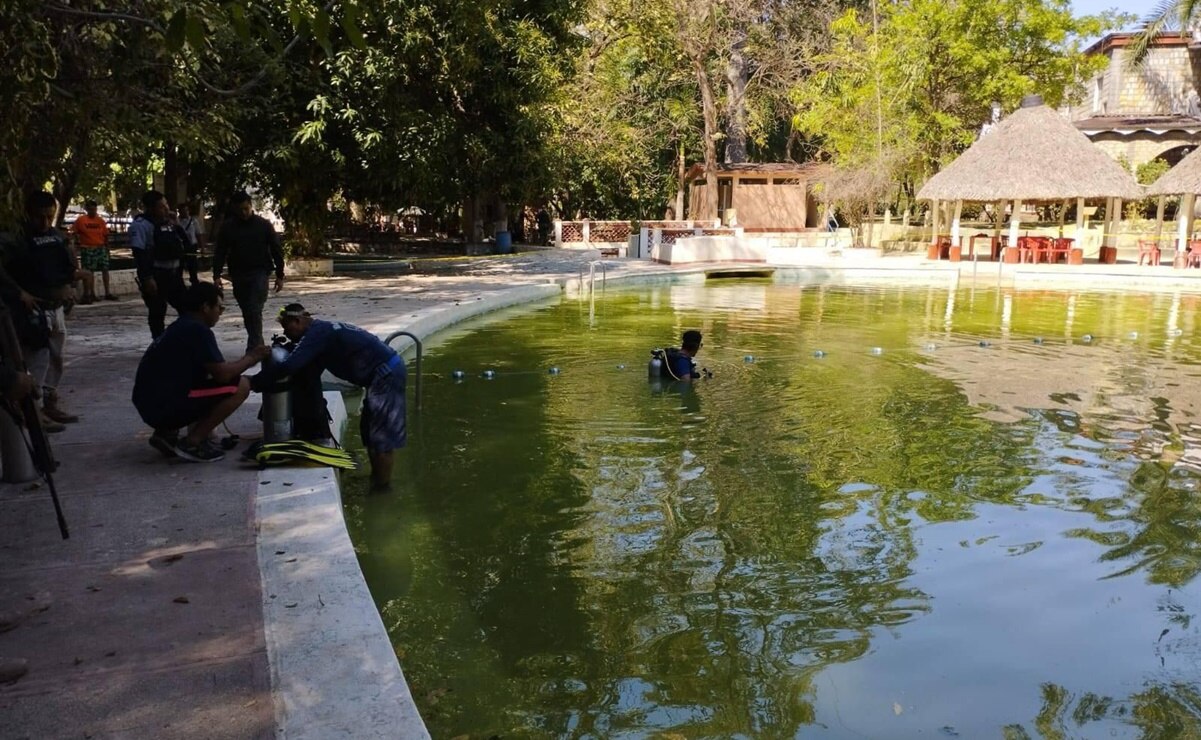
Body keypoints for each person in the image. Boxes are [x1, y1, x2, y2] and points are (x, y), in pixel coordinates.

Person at [251, 304, 405, 491]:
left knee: (381, 438)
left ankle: (382, 489)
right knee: (370, 431)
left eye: (287, 328)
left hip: (385, 376)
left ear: (297, 321)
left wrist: (253, 382)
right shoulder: (321, 330)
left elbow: (290, 367)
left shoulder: (317, 334)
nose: (286, 334)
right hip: (382, 374)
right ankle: (377, 480)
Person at [132, 282, 268, 462]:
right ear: (205, 307)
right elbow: (224, 375)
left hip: (147, 403)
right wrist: (252, 357)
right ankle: (192, 442)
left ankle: (166, 433)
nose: (221, 312)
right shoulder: (198, 331)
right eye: (220, 307)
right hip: (163, 406)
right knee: (241, 385)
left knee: (203, 381)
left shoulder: (180, 326)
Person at [0, 191, 88, 430]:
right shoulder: (16, 239)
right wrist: (18, 293)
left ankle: (49, 401)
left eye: (50, 217)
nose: (45, 223)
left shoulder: (56, 237)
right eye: (40, 217)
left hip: (56, 307)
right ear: (28, 214)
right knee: (38, 358)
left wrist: (70, 287)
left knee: (56, 358)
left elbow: (66, 267)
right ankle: (33, 411)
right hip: (33, 309)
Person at [213, 192, 285, 353]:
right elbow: (220, 252)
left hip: (260, 272)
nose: (244, 213)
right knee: (247, 311)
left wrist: (280, 275)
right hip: (238, 274)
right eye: (240, 210)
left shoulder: (263, 225)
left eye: (246, 208)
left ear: (251, 206)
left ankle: (255, 346)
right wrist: (216, 275)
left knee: (254, 308)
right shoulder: (228, 227)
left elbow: (276, 250)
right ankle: (256, 342)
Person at [130, 190, 188, 339]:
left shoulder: (169, 223)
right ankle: (159, 342)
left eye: (166, 205)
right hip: (156, 275)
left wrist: (177, 225)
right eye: (161, 207)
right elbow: (139, 253)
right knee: (157, 311)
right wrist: (147, 278)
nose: (166, 209)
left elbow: (187, 244)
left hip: (174, 274)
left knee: (187, 308)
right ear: (150, 208)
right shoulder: (142, 225)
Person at [70, 200, 117, 302]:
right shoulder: (81, 220)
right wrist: (75, 244)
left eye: (94, 209)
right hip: (87, 248)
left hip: (100, 247)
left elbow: (105, 235)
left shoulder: (100, 220)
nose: (93, 211)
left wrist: (107, 248)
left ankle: (107, 292)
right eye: (90, 209)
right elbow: (73, 233)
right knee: (90, 272)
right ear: (86, 209)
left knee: (105, 269)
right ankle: (91, 294)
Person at [176, 202, 204, 286]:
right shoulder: (177, 221)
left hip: (192, 246)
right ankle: (179, 283)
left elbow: (198, 234)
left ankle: (194, 281)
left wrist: (202, 247)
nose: (185, 212)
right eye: (183, 210)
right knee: (179, 266)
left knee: (192, 266)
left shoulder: (193, 221)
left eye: (186, 210)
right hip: (181, 247)